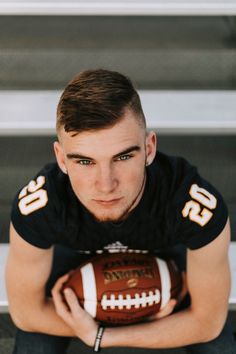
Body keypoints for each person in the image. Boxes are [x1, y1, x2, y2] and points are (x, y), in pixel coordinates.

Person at [6, 69, 236, 354]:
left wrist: (101, 335)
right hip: (72, 256)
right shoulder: (42, 207)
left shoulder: (191, 205)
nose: (106, 184)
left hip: (168, 255)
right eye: (85, 161)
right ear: (61, 159)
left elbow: (207, 322)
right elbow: (27, 314)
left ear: (149, 148)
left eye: (123, 157)